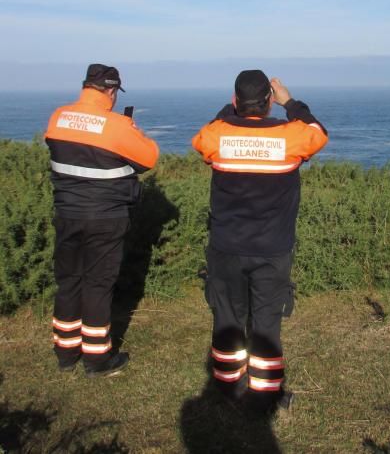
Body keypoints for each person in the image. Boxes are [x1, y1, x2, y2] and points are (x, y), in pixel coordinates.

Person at [192, 70, 328, 411]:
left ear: (237, 101)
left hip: (225, 246)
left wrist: (231, 109)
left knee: (227, 316)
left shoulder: (217, 135)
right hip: (272, 248)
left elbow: (205, 135)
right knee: (266, 320)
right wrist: (290, 101)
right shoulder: (291, 136)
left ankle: (226, 386)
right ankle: (267, 394)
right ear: (269, 102)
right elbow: (319, 133)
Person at [45, 63, 159, 377]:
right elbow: (149, 158)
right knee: (97, 284)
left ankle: (65, 352)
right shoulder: (116, 125)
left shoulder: (58, 117)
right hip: (105, 217)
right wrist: (132, 131)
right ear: (111, 91)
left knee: (68, 281)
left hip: (67, 213)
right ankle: (96, 360)